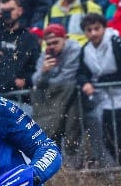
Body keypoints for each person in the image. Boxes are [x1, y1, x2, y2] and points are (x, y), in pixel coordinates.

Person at [77, 12, 121, 166]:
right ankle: (118, 166)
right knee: (107, 134)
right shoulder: (86, 49)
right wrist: (85, 82)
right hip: (104, 99)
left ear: (104, 28)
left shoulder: (117, 43)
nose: (93, 33)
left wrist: (97, 81)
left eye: (97, 29)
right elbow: (81, 72)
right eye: (89, 30)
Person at [32, 24, 84, 159]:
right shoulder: (46, 54)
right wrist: (44, 72)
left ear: (65, 39)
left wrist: (47, 81)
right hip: (54, 101)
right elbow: (35, 81)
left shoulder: (74, 49)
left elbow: (68, 77)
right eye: (48, 43)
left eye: (56, 42)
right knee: (50, 132)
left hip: (73, 98)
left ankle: (74, 170)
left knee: (72, 136)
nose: (52, 46)